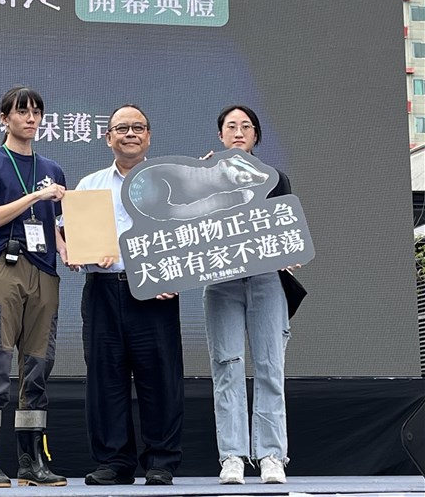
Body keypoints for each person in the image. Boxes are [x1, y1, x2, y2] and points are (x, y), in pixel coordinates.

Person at [0, 86, 68, 488]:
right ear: (3, 118)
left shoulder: (53, 168)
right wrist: (35, 196)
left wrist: (70, 250)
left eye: (37, 112)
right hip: (4, 267)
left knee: (38, 366)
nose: (30, 118)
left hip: (45, 269)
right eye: (21, 111)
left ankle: (32, 462)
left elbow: (57, 227)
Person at [74, 104, 183, 487]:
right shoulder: (89, 185)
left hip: (157, 289)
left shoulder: (171, 182)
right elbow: (69, 234)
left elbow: (192, 234)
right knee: (106, 378)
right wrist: (75, 252)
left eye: (138, 127)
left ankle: (161, 461)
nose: (130, 134)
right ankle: (114, 462)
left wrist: (177, 272)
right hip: (104, 289)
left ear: (149, 136)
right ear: (108, 138)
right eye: (122, 128)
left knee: (160, 378)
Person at [202, 104, 292, 485]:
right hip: (222, 281)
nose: (238, 132)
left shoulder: (275, 179)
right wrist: (202, 176)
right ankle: (233, 456)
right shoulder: (202, 178)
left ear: (256, 136)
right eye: (230, 126)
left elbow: (288, 227)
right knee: (227, 367)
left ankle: (272, 455)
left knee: (271, 368)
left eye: (246, 126)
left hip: (267, 280)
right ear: (220, 135)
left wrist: (290, 252)